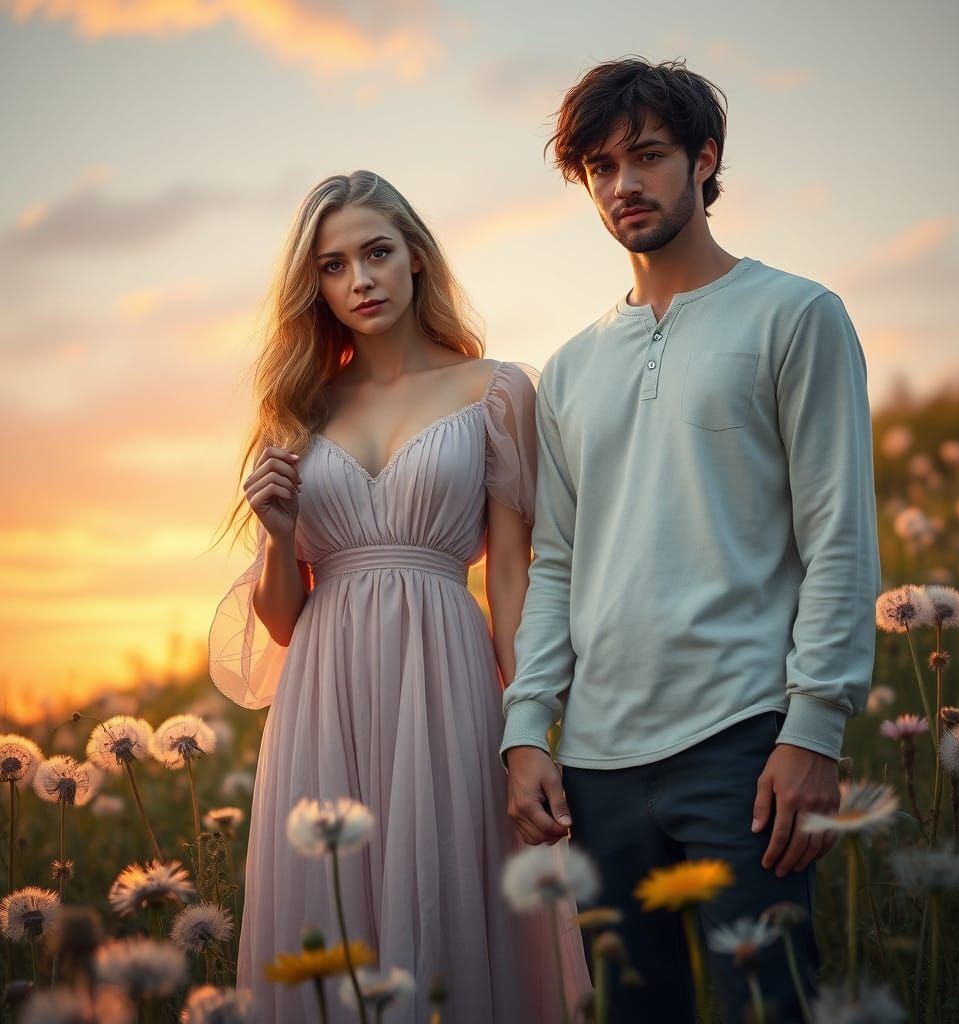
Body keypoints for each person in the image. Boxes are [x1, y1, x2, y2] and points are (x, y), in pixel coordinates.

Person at [501, 58, 881, 1023]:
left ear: (704, 160)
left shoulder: (796, 315)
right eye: (598, 166)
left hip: (745, 745)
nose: (623, 184)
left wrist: (815, 728)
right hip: (596, 764)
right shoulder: (572, 368)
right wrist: (525, 728)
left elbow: (838, 530)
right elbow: (556, 561)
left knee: (772, 1008)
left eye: (649, 156)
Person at [210, 171, 587, 1023]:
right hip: (322, 697)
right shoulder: (296, 411)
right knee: (332, 925)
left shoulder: (496, 390)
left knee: (450, 904)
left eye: (376, 254)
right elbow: (280, 619)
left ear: (416, 256)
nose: (360, 282)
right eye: (334, 268)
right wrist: (275, 532)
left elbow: (513, 578)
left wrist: (530, 731)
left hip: (449, 680)